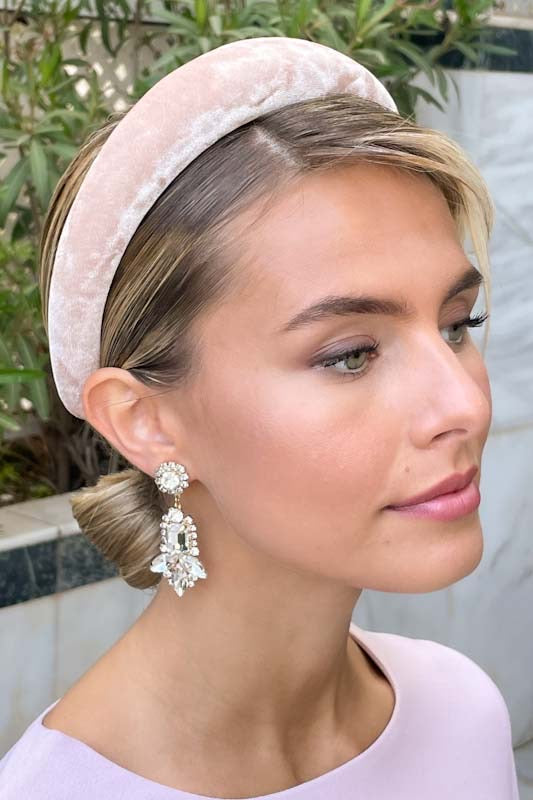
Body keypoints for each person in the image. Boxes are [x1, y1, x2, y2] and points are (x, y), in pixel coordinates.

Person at [0, 36, 520, 799]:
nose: (465, 405)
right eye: (350, 354)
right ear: (146, 422)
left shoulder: (461, 710)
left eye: (456, 325)